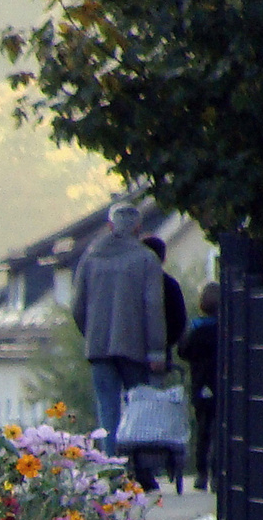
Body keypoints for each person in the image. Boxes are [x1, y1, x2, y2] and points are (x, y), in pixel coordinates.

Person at [72, 202, 166, 484]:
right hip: (135, 347)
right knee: (137, 410)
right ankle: (139, 471)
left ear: (110, 227)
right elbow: (153, 306)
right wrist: (157, 349)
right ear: (137, 229)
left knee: (107, 409)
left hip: (99, 347)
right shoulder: (146, 259)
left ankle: (111, 468)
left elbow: (78, 306)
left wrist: (91, 332)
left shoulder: (91, 258)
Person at [178, 282, 220, 490]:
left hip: (201, 384)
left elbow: (183, 351)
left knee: (203, 428)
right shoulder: (227, 328)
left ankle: (201, 472)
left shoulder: (196, 328)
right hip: (221, 384)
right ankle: (218, 473)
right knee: (221, 428)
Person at [142, 235, 188, 367]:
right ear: (163, 259)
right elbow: (179, 321)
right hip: (161, 352)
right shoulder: (170, 285)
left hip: (130, 351)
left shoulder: (131, 284)